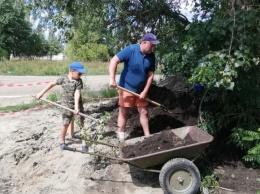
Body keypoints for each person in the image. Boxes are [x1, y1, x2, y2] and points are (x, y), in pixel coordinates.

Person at [109, 32, 160, 141]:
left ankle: (148, 137)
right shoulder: (131, 50)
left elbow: (150, 76)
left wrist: (145, 91)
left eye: (154, 45)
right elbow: (114, 60)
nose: (153, 48)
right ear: (144, 42)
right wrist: (112, 79)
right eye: (152, 45)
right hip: (126, 87)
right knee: (124, 112)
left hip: (141, 89)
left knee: (144, 112)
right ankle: (121, 138)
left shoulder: (151, 56)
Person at [35, 61, 88, 152]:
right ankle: (62, 142)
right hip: (66, 105)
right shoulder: (63, 79)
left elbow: (77, 93)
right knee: (65, 123)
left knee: (81, 124)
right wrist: (41, 93)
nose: (80, 75)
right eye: (79, 73)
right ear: (72, 71)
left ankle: (84, 143)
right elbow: (51, 84)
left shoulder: (79, 81)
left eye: (81, 74)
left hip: (77, 105)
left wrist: (76, 107)